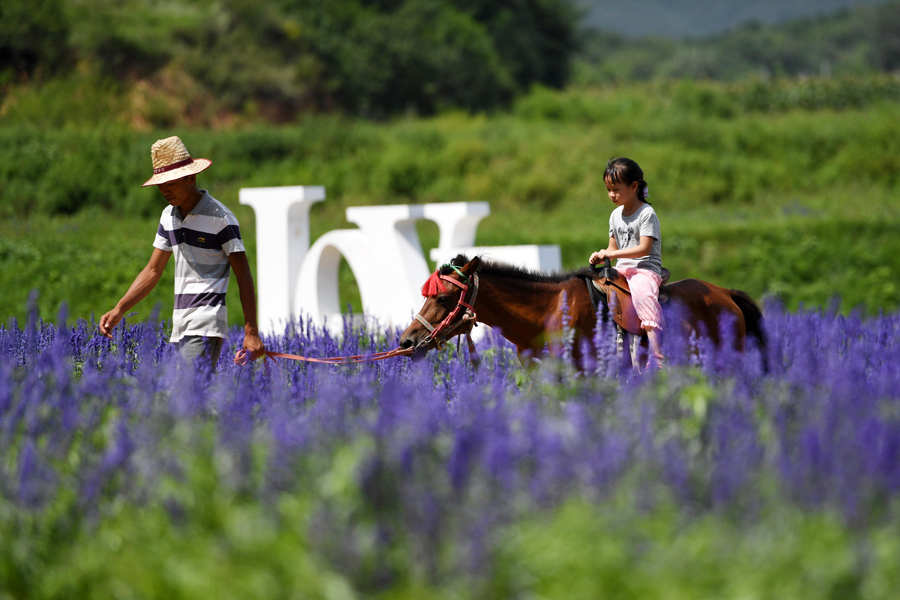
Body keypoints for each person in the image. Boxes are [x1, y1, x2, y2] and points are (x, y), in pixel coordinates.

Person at [99, 136, 265, 368]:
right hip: (180, 325)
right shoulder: (168, 216)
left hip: (206, 324)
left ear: (191, 177)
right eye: (161, 184)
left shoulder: (221, 218)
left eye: (171, 182)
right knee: (188, 402)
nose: (165, 190)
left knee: (182, 396)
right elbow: (152, 270)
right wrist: (119, 309)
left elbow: (244, 275)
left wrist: (251, 332)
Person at [589, 157, 664, 367]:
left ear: (633, 186)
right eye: (608, 189)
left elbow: (644, 248)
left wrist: (614, 255)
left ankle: (658, 355)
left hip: (643, 269)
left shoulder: (646, 214)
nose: (611, 194)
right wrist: (602, 254)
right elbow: (612, 248)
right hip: (621, 269)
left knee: (643, 295)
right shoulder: (615, 215)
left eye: (616, 189)